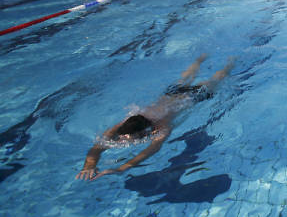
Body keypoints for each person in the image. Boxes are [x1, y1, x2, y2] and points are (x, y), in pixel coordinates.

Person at [75, 54, 235, 181]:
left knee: (216, 80)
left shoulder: (162, 126)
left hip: (191, 97)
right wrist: (89, 165)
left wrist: (121, 169)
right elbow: (97, 148)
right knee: (185, 79)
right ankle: (203, 57)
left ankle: (230, 62)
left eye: (136, 137)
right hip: (171, 95)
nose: (129, 140)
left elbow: (151, 150)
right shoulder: (125, 125)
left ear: (146, 130)